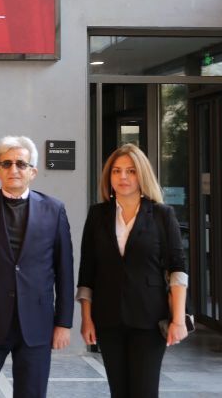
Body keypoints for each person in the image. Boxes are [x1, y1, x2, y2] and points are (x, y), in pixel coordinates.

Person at [0, 136, 74, 398]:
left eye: (21, 163)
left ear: (33, 171)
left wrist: (64, 323)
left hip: (37, 323)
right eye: (6, 164)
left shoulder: (54, 210)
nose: (13, 169)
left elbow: (64, 270)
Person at [77, 143, 189, 398]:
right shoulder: (97, 215)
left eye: (131, 171)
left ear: (142, 175)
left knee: (144, 391)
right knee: (119, 391)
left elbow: (177, 269)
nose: (123, 177)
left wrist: (179, 320)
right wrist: (86, 319)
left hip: (150, 319)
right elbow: (87, 271)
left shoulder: (162, 214)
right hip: (108, 318)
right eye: (116, 171)